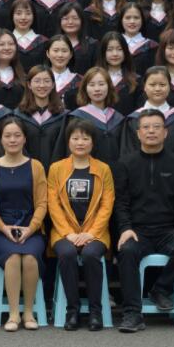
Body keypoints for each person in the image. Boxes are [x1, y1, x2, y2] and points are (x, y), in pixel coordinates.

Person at [113, 108, 174, 333]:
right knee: (127, 251)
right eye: (146, 127)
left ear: (165, 132)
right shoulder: (125, 163)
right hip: (138, 230)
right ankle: (132, 313)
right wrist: (125, 228)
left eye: (156, 127)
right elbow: (120, 202)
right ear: (138, 133)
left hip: (168, 230)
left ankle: (161, 289)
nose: (151, 131)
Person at [47, 118, 115, 332]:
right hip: (63, 233)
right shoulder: (56, 168)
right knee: (67, 254)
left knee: (91, 254)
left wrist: (91, 233)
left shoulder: (103, 169)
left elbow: (107, 204)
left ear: (93, 142)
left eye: (85, 138)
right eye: (75, 138)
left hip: (96, 232)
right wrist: (68, 233)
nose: (80, 142)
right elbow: (53, 204)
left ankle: (96, 311)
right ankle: (72, 310)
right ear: (68, 141)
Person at [0, 117, 46, 331]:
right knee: (12, 258)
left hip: (31, 228)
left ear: (25, 138)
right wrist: (3, 227)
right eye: (8, 136)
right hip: (1, 229)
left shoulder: (36, 166)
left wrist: (31, 228)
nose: (12, 140)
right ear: (1, 139)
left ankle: (28, 312)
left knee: (29, 258)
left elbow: (42, 203)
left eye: (17, 135)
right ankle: (13, 314)